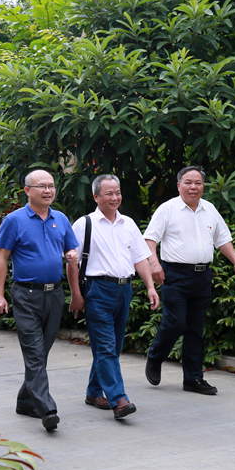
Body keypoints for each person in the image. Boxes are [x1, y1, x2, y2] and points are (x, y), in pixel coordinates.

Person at [143, 166, 235, 395]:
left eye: (198, 183)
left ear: (203, 186)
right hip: (174, 274)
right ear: (178, 185)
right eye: (188, 182)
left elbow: (223, 239)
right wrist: (154, 264)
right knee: (175, 323)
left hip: (202, 276)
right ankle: (155, 356)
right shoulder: (167, 209)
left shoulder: (209, 209)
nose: (193, 187)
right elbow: (150, 239)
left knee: (195, 328)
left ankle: (193, 378)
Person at [0, 169, 79, 432]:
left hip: (54, 294)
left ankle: (24, 401)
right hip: (26, 295)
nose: (48, 191)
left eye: (51, 186)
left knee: (41, 352)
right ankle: (47, 408)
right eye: (42, 186)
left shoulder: (60, 219)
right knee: (34, 351)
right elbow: (2, 258)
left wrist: (72, 256)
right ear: (27, 190)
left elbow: (70, 250)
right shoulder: (14, 220)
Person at [68, 174, 160, 420]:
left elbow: (140, 258)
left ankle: (93, 392)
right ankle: (119, 399)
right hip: (97, 290)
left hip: (124, 290)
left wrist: (150, 287)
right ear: (96, 196)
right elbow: (71, 263)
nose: (115, 197)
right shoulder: (84, 224)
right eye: (109, 193)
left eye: (117, 192)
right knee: (107, 347)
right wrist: (76, 294)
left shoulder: (128, 223)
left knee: (113, 346)